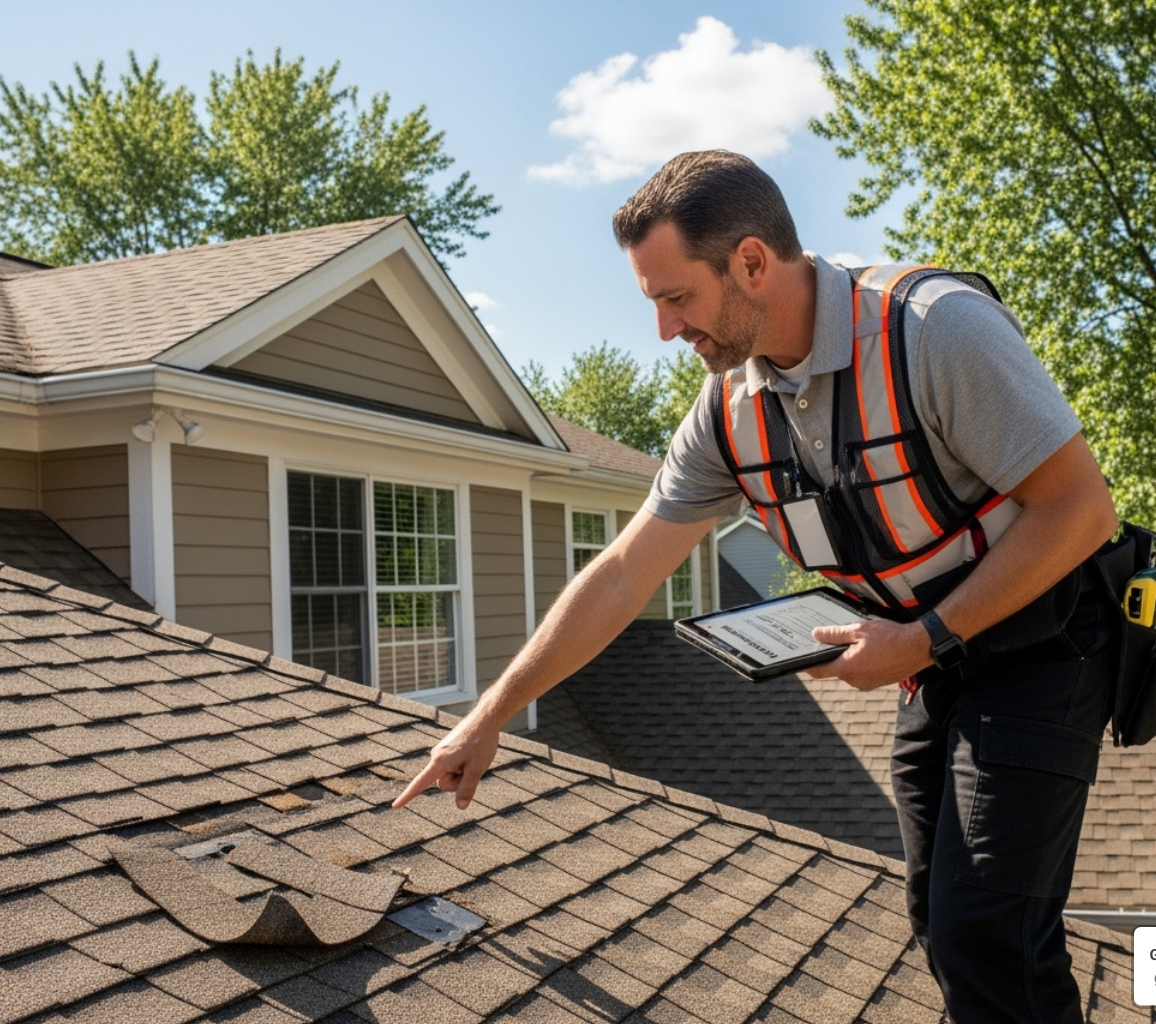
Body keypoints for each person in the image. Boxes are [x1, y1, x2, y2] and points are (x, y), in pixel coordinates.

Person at [395, 150, 1119, 1024]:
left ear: (750, 263)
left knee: (989, 934)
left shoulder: (933, 332)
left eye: (677, 298)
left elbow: (1081, 511)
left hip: (1048, 640)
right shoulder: (728, 410)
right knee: (939, 920)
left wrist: (920, 639)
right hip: (935, 661)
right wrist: (492, 711)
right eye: (653, 302)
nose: (664, 330)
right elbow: (624, 572)